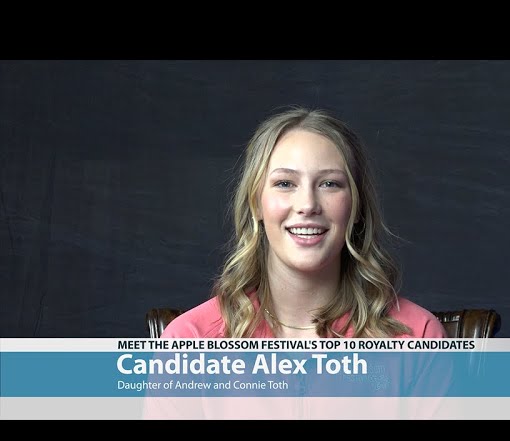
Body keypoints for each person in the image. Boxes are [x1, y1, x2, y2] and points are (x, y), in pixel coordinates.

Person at [161, 106, 446, 339]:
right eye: (285, 183)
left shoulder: (419, 336)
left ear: (356, 206)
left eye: (329, 183)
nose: (308, 205)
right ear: (256, 204)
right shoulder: (189, 340)